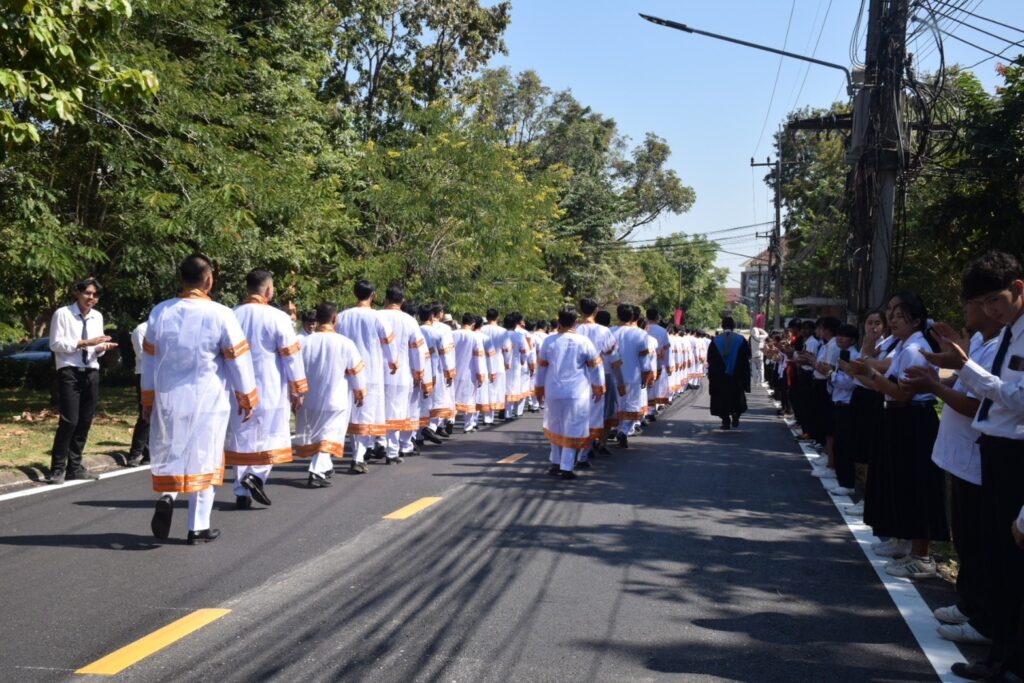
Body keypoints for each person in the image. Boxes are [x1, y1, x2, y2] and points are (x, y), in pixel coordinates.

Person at [924, 252, 1024, 681]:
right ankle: (1000, 655)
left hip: (1014, 456)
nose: (989, 310)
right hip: (994, 451)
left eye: (994, 300)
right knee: (999, 559)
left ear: (1017, 288)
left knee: (1010, 562)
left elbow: (1018, 398)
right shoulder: (1008, 334)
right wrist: (960, 364)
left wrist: (967, 367)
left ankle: (1010, 660)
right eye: (981, 303)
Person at [902, 300, 1001, 648]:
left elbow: (978, 404)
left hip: (977, 456)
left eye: (971, 303)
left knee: (980, 542)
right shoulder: (984, 343)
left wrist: (935, 386)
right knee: (966, 539)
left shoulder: (999, 346)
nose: (965, 310)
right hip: (959, 456)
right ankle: (969, 604)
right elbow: (962, 384)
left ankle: (983, 616)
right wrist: (944, 373)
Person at [142, 254, 258, 544]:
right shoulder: (220, 314)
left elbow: (149, 361)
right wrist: (247, 397)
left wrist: (147, 399)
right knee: (205, 458)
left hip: (169, 399)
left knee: (174, 452)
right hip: (208, 400)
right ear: (209, 281)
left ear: (181, 279)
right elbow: (238, 359)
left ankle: (168, 495)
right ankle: (198, 527)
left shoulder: (160, 312)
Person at [847, 292, 948, 579]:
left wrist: (869, 373)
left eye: (899, 315)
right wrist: (864, 373)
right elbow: (888, 384)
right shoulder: (903, 346)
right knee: (900, 483)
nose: (891, 319)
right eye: (890, 313)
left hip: (912, 418)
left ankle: (920, 555)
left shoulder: (915, 349)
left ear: (916, 321)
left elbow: (902, 393)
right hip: (900, 418)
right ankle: (902, 541)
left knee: (916, 486)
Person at [225, 270, 307, 509]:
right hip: (270, 387)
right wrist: (298, 387)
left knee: (242, 438)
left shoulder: (231, 315)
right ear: (269, 290)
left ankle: (241, 492)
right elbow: (291, 356)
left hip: (237, 388)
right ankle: (257, 475)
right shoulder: (278, 317)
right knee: (272, 435)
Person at [47, 277, 117, 485]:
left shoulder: (97, 317)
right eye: (87, 293)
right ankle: (57, 468)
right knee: (70, 420)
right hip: (69, 370)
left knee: (86, 420)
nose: (91, 298)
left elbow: (95, 348)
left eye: (95, 295)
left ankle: (74, 466)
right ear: (77, 293)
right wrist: (85, 342)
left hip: (91, 370)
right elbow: (55, 344)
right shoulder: (63, 314)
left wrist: (101, 348)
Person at [294, 302, 366, 484]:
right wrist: (360, 391)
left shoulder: (303, 342)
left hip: (310, 398)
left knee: (320, 435)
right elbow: (356, 372)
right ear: (335, 319)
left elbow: (294, 370)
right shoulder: (345, 343)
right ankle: (317, 471)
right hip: (335, 398)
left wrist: (295, 395)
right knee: (329, 435)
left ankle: (325, 467)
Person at [335, 280, 399, 471]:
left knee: (353, 415)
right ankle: (358, 456)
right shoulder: (377, 317)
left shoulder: (342, 316)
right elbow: (389, 344)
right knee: (365, 415)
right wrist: (393, 361)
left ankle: (357, 453)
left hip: (346, 372)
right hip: (370, 372)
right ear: (373, 295)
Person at [535, 307, 604, 480]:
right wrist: (599, 387)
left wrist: (539, 388)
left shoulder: (549, 341)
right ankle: (566, 466)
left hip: (554, 391)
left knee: (555, 425)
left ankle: (555, 462)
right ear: (576, 322)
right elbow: (596, 367)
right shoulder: (584, 341)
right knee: (572, 427)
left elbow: (541, 369)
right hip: (577, 392)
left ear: (559, 321)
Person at [377, 286, 429, 462]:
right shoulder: (409, 321)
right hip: (401, 374)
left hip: (376, 373)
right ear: (402, 301)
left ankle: (378, 443)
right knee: (398, 412)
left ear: (385, 298)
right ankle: (393, 450)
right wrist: (419, 373)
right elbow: (417, 350)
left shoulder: (376, 316)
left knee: (378, 410)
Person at [575, 298, 624, 464]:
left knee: (581, 413)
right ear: (595, 311)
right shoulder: (604, 331)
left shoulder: (575, 329)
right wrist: (621, 383)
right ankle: (600, 443)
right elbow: (615, 361)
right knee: (605, 412)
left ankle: (584, 447)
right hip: (603, 375)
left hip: (579, 378)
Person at [612, 304, 654, 448]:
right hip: (633, 376)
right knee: (632, 406)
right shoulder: (640, 334)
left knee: (617, 405)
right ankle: (624, 431)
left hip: (614, 376)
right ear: (632, 317)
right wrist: (646, 375)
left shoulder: (610, 332)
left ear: (618, 315)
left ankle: (617, 429)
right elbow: (645, 360)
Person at [707, 316, 752, 430]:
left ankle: (725, 421)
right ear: (733, 326)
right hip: (736, 376)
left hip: (720, 377)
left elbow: (710, 360)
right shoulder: (741, 340)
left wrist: (712, 376)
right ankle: (736, 413)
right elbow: (746, 358)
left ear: (722, 326)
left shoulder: (715, 341)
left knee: (721, 397)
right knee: (736, 396)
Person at [452, 313, 485, 432]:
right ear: (473, 324)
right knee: (470, 399)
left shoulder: (452, 334)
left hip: (453, 371)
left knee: (452, 398)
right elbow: (479, 357)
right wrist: (481, 375)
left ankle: (450, 421)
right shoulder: (475, 337)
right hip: (469, 372)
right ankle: (468, 425)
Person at [126, 318, 150, 468]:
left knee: (157, 416)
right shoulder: (141, 330)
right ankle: (135, 453)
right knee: (145, 414)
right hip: (145, 374)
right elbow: (143, 355)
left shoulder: (165, 330)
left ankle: (149, 453)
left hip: (161, 375)